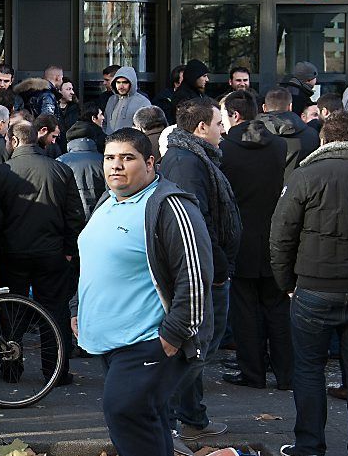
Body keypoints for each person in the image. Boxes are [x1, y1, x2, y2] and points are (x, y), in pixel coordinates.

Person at [71, 127, 213, 456]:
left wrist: (173, 335)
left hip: (147, 342)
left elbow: (194, 277)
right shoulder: (107, 200)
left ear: (150, 163)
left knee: (125, 412)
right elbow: (93, 257)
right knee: (148, 421)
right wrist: (78, 307)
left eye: (127, 158)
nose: (115, 166)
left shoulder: (169, 206)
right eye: (109, 158)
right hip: (111, 341)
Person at [270, 111, 348, 456]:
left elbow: (281, 236)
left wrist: (286, 283)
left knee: (308, 368)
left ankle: (308, 446)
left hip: (314, 288)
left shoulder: (305, 176)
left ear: (323, 140)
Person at [160, 98, 242, 452]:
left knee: (198, 347)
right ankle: (175, 419)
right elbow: (198, 224)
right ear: (200, 128)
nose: (223, 131)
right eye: (218, 124)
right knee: (198, 345)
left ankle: (192, 417)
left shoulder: (193, 157)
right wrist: (219, 269)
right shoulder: (187, 162)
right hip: (204, 272)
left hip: (209, 268)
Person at [0, 120, 86, 384]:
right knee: (54, 311)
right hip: (51, 252)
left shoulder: (0, 173)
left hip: (11, 253)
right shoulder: (60, 171)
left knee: (11, 312)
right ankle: (55, 370)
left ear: (14, 141)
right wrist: (67, 249)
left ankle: (10, 368)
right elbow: (74, 215)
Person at [216, 91, 291, 391]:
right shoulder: (279, 145)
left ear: (234, 115)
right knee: (276, 307)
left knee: (245, 309)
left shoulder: (225, 150)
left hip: (240, 237)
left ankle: (253, 372)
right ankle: (287, 373)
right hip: (273, 234)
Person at [256, 87, 319, 181]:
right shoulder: (312, 135)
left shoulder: (249, 134)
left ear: (264, 108)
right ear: (290, 107)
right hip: (297, 191)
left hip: (260, 191)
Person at [57, 123, 106, 220]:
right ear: (92, 138)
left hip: (71, 218)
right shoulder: (105, 160)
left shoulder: (60, 162)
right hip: (101, 217)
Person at [104, 66, 151, 134]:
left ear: (132, 83)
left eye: (125, 82)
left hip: (131, 143)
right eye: (118, 82)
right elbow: (105, 122)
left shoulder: (142, 102)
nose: (121, 86)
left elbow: (147, 128)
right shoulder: (111, 100)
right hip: (110, 142)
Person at [56, 77, 80, 144]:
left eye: (72, 89)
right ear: (59, 91)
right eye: (68, 89)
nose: (72, 92)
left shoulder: (77, 108)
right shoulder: (52, 108)